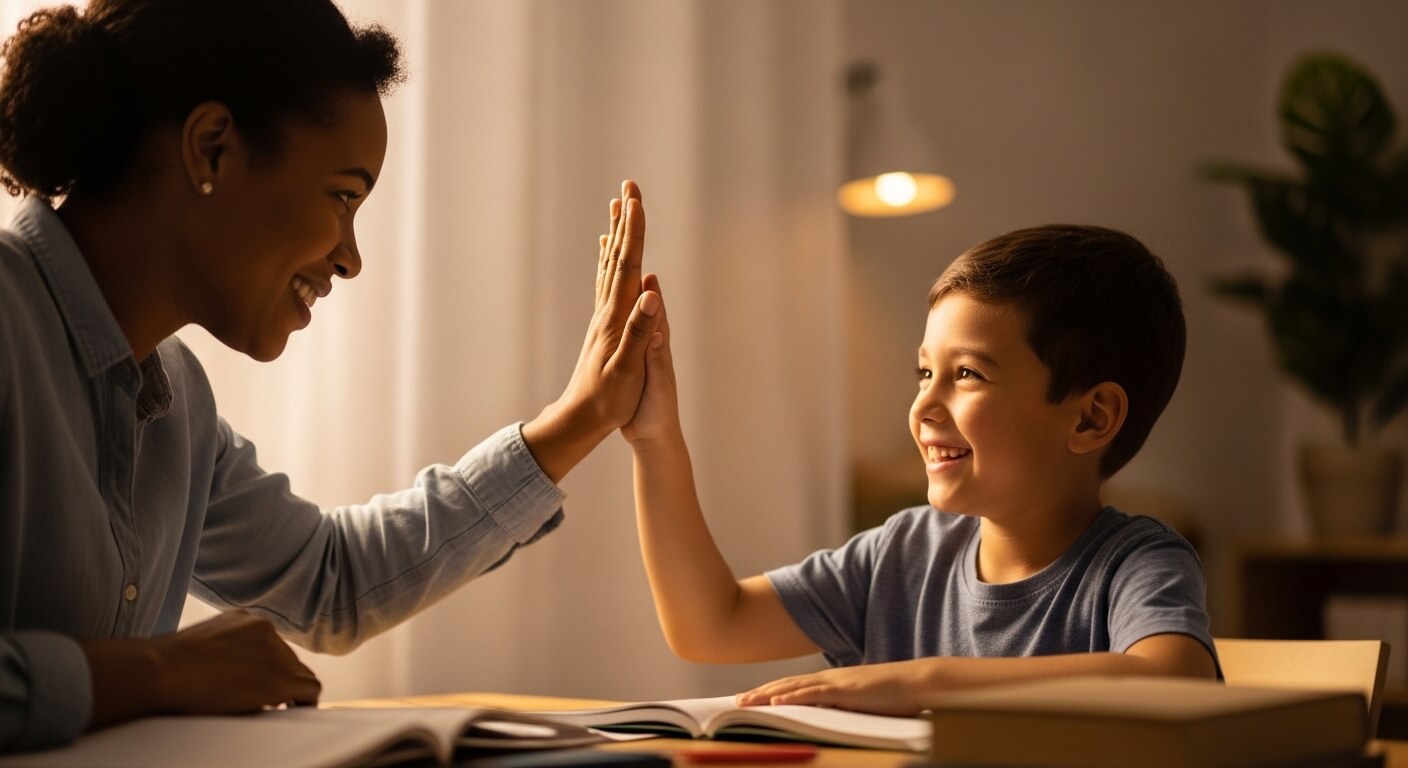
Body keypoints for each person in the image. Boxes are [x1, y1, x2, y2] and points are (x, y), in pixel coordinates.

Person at [0, 0, 663, 752]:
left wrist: (581, 416)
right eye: (342, 196)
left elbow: (332, 581)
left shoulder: (177, 404)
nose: (351, 257)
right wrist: (157, 672)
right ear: (211, 148)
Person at [624, 224, 1217, 716]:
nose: (924, 407)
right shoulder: (904, 555)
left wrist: (916, 684)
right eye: (925, 373)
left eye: (967, 375)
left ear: (1091, 419)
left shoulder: (1137, 563)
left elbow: (1173, 679)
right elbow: (710, 624)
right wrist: (655, 443)